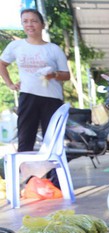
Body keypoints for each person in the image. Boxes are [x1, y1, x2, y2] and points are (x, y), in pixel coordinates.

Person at [0, 8, 70, 153]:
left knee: (52, 142)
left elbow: (66, 75)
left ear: (42, 25)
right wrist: (10, 84)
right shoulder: (16, 46)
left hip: (52, 99)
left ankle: (53, 175)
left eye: (34, 21)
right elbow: (2, 64)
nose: (29, 25)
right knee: (25, 139)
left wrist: (53, 75)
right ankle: (28, 176)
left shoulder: (54, 49)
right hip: (28, 96)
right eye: (25, 21)